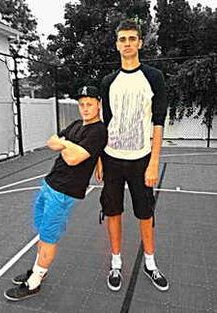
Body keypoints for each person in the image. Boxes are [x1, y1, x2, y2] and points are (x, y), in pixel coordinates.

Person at [4, 85, 108, 301]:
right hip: (50, 183)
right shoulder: (77, 125)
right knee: (42, 233)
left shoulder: (98, 131)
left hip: (64, 192)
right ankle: (37, 269)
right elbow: (50, 141)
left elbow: (72, 158)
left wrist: (64, 144)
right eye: (81, 104)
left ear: (98, 104)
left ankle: (34, 283)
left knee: (49, 237)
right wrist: (67, 144)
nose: (85, 108)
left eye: (89, 104)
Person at [95, 19, 169, 292]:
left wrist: (154, 162)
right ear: (117, 45)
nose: (127, 43)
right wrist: (100, 160)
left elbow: (159, 122)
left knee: (145, 213)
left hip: (142, 159)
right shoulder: (108, 82)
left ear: (139, 43)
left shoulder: (153, 77)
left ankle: (150, 263)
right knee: (113, 211)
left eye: (131, 38)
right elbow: (104, 124)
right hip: (112, 159)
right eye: (122, 39)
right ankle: (116, 263)